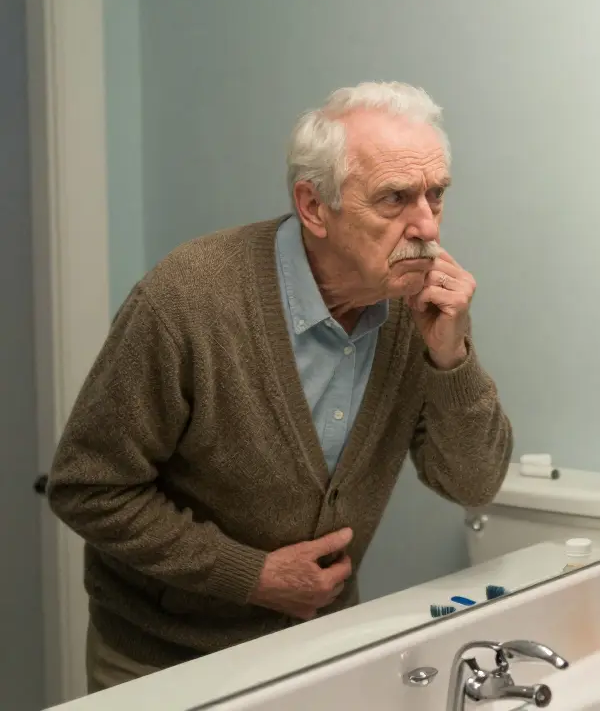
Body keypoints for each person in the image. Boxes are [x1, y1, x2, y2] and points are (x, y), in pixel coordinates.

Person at [46, 81, 515, 691]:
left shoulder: (416, 308)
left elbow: (472, 484)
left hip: (318, 650)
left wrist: (451, 358)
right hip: (164, 659)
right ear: (314, 207)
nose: (426, 225)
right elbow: (88, 487)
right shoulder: (188, 299)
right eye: (395, 198)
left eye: (436, 194)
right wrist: (252, 576)